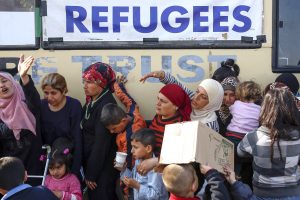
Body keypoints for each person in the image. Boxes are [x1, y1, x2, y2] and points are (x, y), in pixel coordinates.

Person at [238, 88, 300, 199]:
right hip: (294, 194)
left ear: (264, 109)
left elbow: (240, 152)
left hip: (262, 194)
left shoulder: (253, 137)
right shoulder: (298, 137)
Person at [101, 76, 147, 199]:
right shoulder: (134, 112)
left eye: (114, 128)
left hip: (134, 175)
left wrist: (125, 190)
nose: (111, 132)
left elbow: (128, 166)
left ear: (123, 120)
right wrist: (117, 85)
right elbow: (127, 99)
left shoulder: (129, 138)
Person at [0, 55, 43, 185]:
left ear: (12, 82)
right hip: (9, 173)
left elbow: (34, 99)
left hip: (33, 169)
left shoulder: (27, 103)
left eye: (4, 81)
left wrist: (23, 76)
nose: (1, 86)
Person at [81, 62, 119, 200]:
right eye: (84, 81)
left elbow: (101, 144)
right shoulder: (93, 100)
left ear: (102, 83)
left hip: (102, 168)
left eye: (90, 82)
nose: (85, 85)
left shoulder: (105, 105)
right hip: (94, 163)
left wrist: (91, 174)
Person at [40, 73, 82, 180]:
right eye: (46, 93)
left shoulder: (74, 106)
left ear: (63, 91)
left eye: (53, 93)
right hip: (48, 164)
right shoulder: (42, 106)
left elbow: (77, 139)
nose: (49, 97)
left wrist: (74, 172)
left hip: (68, 162)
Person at [119, 128, 168, 200]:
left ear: (148, 148)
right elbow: (133, 179)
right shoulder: (138, 161)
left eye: (135, 147)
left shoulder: (156, 169)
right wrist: (123, 170)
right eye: (132, 147)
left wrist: (137, 186)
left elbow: (155, 196)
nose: (132, 151)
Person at [225, 81, 261, 174]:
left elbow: (229, 110)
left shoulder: (236, 105)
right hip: (249, 139)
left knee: (234, 160)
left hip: (232, 137)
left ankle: (235, 175)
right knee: (247, 160)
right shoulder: (259, 109)